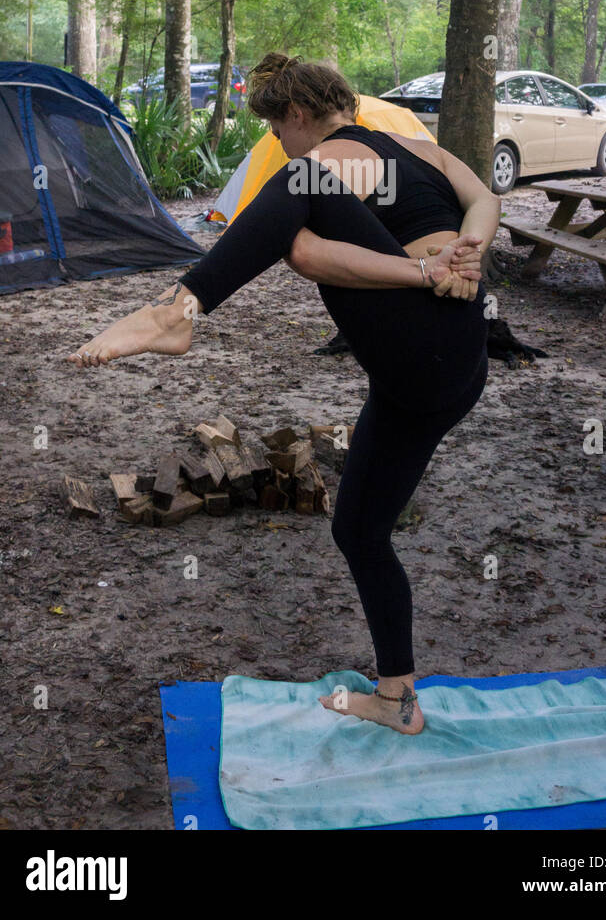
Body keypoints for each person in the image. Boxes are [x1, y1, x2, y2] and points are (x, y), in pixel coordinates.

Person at [67, 54, 500, 735]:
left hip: (429, 350)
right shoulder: (418, 149)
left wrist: (447, 261)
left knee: (299, 186)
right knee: (357, 530)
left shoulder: (320, 165)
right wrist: (455, 253)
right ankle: (396, 700)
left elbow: (304, 248)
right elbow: (481, 195)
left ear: (295, 115)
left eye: (275, 131)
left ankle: (176, 313)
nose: (277, 146)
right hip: (445, 370)